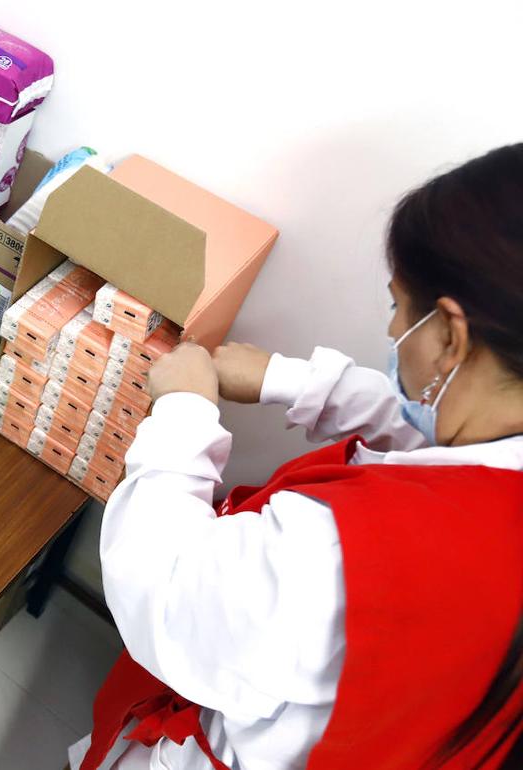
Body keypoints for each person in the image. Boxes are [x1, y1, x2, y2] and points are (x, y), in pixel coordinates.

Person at [71, 143, 523, 769]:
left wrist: (182, 412)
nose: (393, 333)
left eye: (399, 307)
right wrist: (295, 381)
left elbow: (166, 590)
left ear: (450, 336)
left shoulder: (352, 557)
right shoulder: (500, 457)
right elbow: (442, 438)